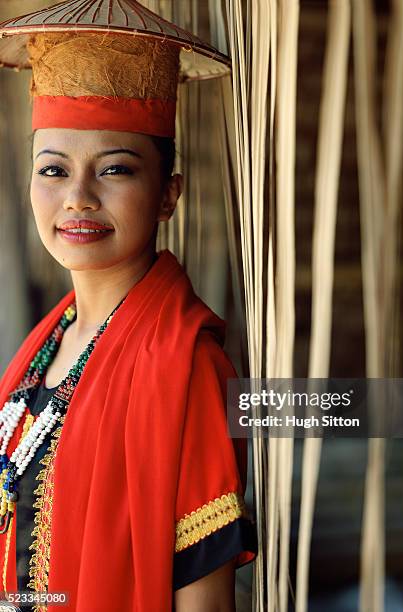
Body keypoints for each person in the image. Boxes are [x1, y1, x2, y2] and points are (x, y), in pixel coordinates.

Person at [0, 1, 257, 611]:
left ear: (168, 192)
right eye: (54, 169)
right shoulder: (45, 346)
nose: (78, 198)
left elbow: (206, 603)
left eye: (115, 169)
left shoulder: (183, 367)